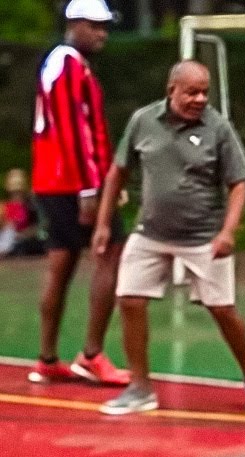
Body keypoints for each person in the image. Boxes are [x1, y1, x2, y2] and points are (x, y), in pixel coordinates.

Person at [91, 60, 245, 416]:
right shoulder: (143, 121)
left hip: (203, 237)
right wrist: (102, 224)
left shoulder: (218, 128)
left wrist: (228, 231)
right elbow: (117, 172)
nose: (200, 99)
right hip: (150, 232)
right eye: (192, 92)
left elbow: (239, 184)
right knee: (129, 299)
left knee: (222, 309)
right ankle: (140, 387)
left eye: (204, 92)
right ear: (171, 90)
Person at [28, 0, 129, 386]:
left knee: (61, 262)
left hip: (53, 180)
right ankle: (91, 355)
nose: (103, 33)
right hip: (73, 182)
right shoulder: (69, 65)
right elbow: (75, 132)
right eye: (95, 26)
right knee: (111, 252)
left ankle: (47, 358)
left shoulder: (60, 63)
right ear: (74, 24)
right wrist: (93, 188)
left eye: (105, 26)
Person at [1, 169, 42, 257]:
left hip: (24, 240)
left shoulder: (30, 206)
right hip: (8, 239)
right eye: (14, 192)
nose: (16, 194)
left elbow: (36, 227)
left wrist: (23, 234)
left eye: (18, 191)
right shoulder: (4, 207)